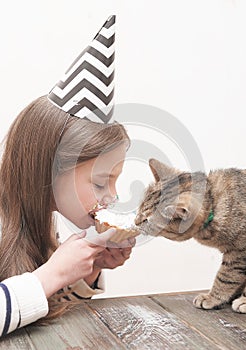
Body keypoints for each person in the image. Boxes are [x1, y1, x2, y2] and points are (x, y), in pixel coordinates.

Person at [0, 15, 136, 337]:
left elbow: (34, 311)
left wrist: (85, 273)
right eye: (101, 181)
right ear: (49, 170)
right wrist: (50, 276)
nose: (112, 196)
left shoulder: (39, 223)